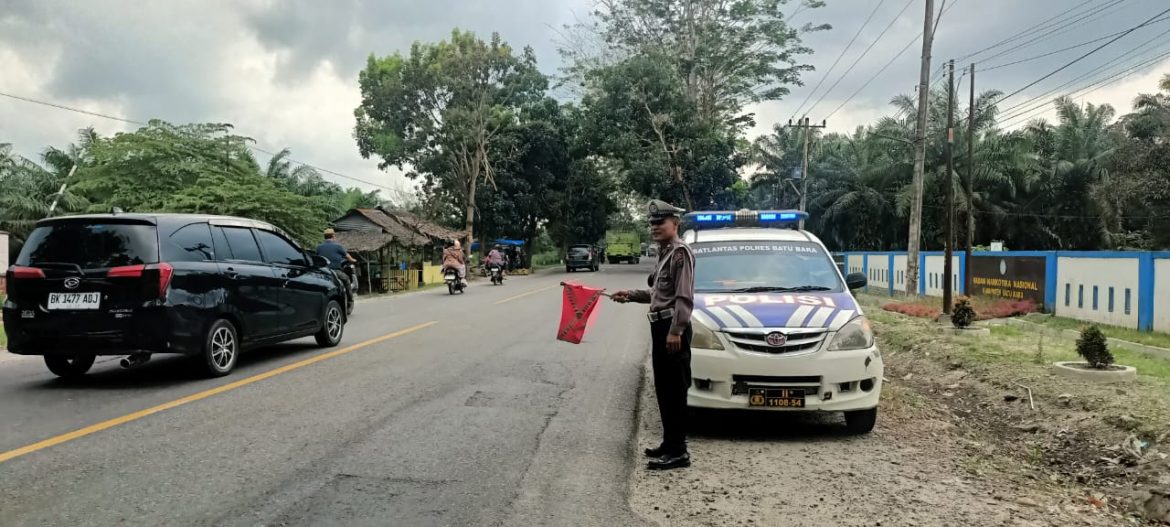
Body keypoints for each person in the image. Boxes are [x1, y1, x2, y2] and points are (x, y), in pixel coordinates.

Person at [611, 199, 695, 470]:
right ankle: (669, 444)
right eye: (652, 223)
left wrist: (676, 331)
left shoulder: (681, 254)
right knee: (663, 389)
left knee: (675, 390)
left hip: (672, 328)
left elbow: (684, 297)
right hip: (660, 326)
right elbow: (658, 294)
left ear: (675, 223)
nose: (655, 227)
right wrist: (631, 295)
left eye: (661, 222)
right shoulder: (664, 253)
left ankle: (679, 451)